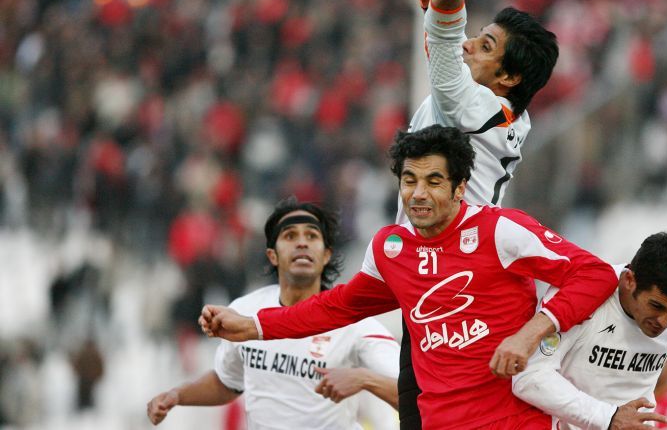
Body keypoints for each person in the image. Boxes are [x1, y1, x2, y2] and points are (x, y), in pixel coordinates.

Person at [199, 125, 618, 430]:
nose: (418, 194)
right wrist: (254, 326)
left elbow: (594, 274)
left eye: (434, 181)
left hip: (512, 421)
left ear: (459, 187)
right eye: (409, 180)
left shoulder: (500, 230)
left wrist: (530, 334)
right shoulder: (390, 249)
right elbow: (337, 306)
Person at [397, 0, 559, 425]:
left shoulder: (479, 109)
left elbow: (445, 54)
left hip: (455, 288)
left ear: (508, 77)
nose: (470, 45)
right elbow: (443, 53)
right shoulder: (487, 107)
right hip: (441, 277)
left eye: (485, 46)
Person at [147, 198, 400, 429]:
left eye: (312, 235)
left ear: (326, 255)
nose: (302, 242)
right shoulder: (244, 312)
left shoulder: (354, 322)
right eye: (290, 235)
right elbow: (227, 383)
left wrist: (365, 379)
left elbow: (413, 393)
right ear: (272, 255)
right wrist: (177, 395)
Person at [511, 232, 667, 429]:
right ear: (629, 280)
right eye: (656, 306)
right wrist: (609, 417)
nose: (664, 322)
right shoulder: (580, 298)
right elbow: (528, 376)